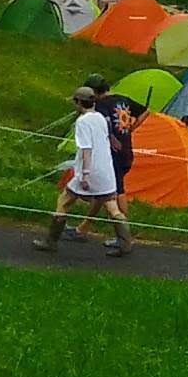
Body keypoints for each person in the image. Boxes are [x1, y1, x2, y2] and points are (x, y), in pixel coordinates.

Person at [39, 80, 132, 256]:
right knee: (112, 206)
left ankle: (51, 241)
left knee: (64, 201)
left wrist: (85, 175)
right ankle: (125, 244)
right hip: (107, 170)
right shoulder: (100, 118)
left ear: (79, 102)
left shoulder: (82, 122)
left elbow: (86, 149)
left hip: (91, 170)